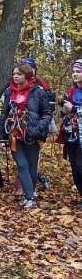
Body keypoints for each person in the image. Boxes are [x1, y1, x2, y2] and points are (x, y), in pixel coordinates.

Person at [3, 63, 52, 209]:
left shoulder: (38, 92)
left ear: (27, 76)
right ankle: (30, 197)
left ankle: (30, 193)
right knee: (22, 165)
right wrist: (2, 135)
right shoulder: (8, 92)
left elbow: (47, 114)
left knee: (31, 165)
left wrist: (37, 129)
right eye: (14, 74)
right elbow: (4, 113)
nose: (15, 76)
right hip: (14, 134)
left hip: (32, 134)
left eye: (19, 74)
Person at [59, 60, 82, 207]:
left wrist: (74, 109)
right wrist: (64, 110)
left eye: (78, 71)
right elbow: (66, 111)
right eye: (73, 71)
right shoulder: (72, 91)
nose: (75, 74)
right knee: (74, 166)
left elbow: (75, 109)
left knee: (80, 165)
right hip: (71, 133)